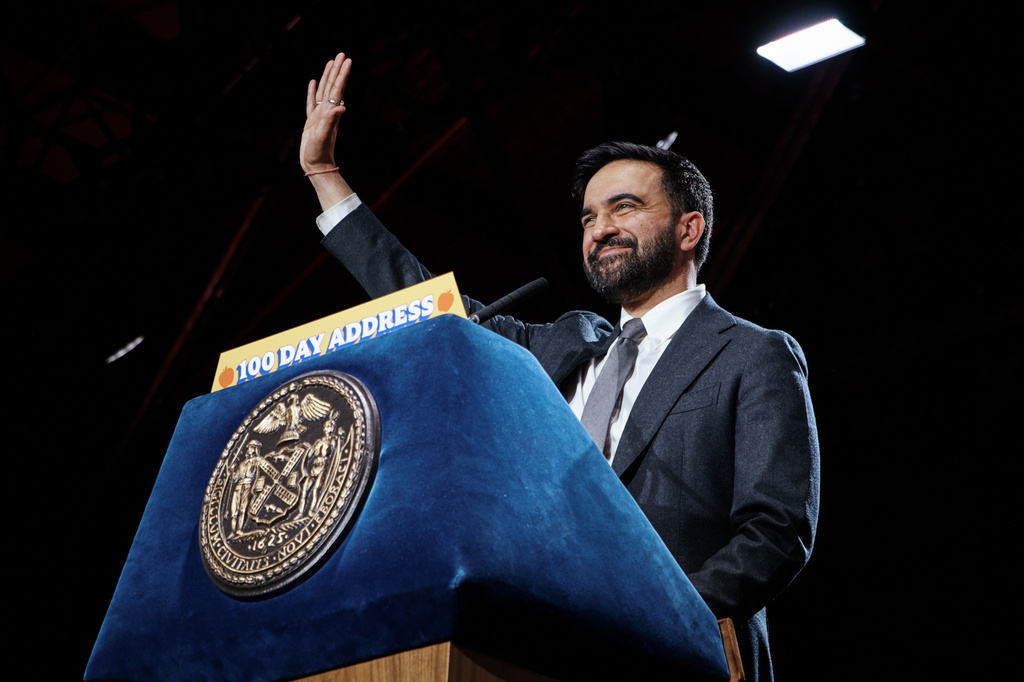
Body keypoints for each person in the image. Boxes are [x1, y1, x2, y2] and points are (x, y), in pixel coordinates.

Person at [300, 53, 819, 681]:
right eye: (588, 217)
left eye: (624, 207)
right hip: (534, 654)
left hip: (680, 658)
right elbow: (425, 303)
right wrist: (326, 175)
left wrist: (661, 617)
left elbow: (776, 531)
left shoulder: (752, 353)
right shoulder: (559, 349)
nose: (600, 229)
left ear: (689, 229)